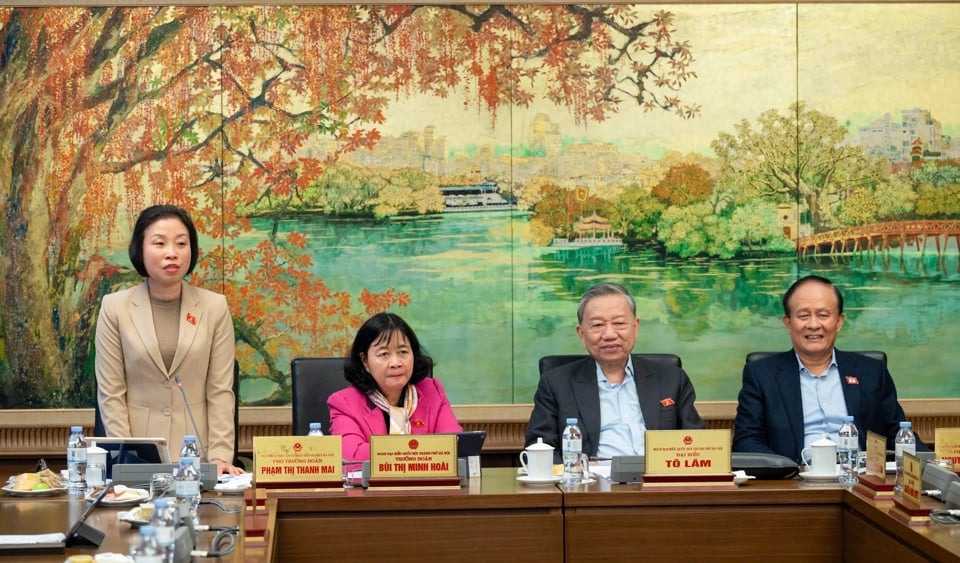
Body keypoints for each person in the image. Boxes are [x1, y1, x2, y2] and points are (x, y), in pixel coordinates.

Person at [95, 205, 243, 476]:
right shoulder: (114, 308)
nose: (172, 252)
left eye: (181, 243)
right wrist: (125, 459)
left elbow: (220, 391)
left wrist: (220, 457)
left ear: (192, 250)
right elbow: (111, 392)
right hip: (138, 458)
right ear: (140, 249)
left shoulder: (214, 307)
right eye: (160, 243)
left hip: (198, 456)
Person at [733, 274, 924, 463]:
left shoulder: (871, 372)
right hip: (795, 482)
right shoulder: (762, 375)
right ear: (788, 323)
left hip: (860, 484)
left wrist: (936, 465)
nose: (814, 325)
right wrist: (785, 470)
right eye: (803, 316)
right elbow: (746, 441)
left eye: (823, 315)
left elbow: (898, 434)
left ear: (839, 322)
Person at [525, 282, 704, 463]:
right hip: (590, 485)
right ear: (581, 334)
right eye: (597, 325)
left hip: (656, 484)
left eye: (619, 323)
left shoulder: (671, 379)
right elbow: (541, 448)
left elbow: (697, 445)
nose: (609, 334)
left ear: (636, 327)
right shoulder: (556, 383)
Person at [328, 312, 462, 462]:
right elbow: (353, 459)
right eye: (384, 354)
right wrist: (420, 450)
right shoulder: (345, 403)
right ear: (365, 361)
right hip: (370, 486)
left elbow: (455, 448)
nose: (395, 363)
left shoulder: (433, 392)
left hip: (428, 485)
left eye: (403, 352)